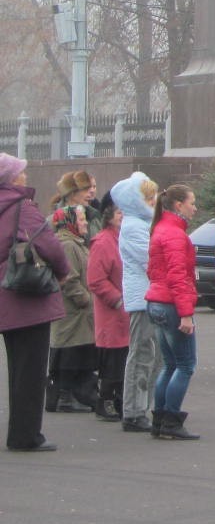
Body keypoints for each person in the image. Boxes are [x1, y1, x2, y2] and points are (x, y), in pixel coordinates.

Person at [1, 154, 73, 453]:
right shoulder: (20, 207)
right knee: (29, 372)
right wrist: (63, 274)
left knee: (18, 368)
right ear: (11, 178)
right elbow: (49, 246)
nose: (26, 177)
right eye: (21, 173)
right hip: (25, 298)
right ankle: (25, 436)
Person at [144, 184, 201, 439]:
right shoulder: (175, 235)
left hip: (156, 301)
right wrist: (186, 313)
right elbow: (178, 277)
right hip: (171, 304)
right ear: (179, 205)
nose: (195, 207)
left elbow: (156, 271)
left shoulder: (160, 229)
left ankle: (160, 419)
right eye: (192, 202)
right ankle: (171, 421)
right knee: (185, 365)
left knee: (169, 364)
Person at [113, 173, 160, 433]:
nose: (153, 200)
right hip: (142, 296)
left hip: (148, 294)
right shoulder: (134, 226)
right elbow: (150, 258)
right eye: (148, 196)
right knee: (141, 354)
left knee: (152, 355)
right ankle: (133, 410)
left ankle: (141, 407)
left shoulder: (141, 223)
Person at [45, 199, 97, 414]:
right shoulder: (68, 245)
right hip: (72, 313)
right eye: (82, 219)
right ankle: (65, 397)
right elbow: (70, 280)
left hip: (76, 314)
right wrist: (87, 300)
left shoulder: (75, 242)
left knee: (75, 353)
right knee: (69, 354)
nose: (85, 224)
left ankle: (73, 395)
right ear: (70, 222)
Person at [86, 194, 129, 421]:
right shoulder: (103, 242)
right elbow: (95, 279)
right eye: (120, 213)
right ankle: (105, 401)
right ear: (109, 216)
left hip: (126, 311)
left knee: (123, 359)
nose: (123, 217)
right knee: (113, 360)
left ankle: (120, 400)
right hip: (113, 312)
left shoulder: (122, 238)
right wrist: (117, 299)